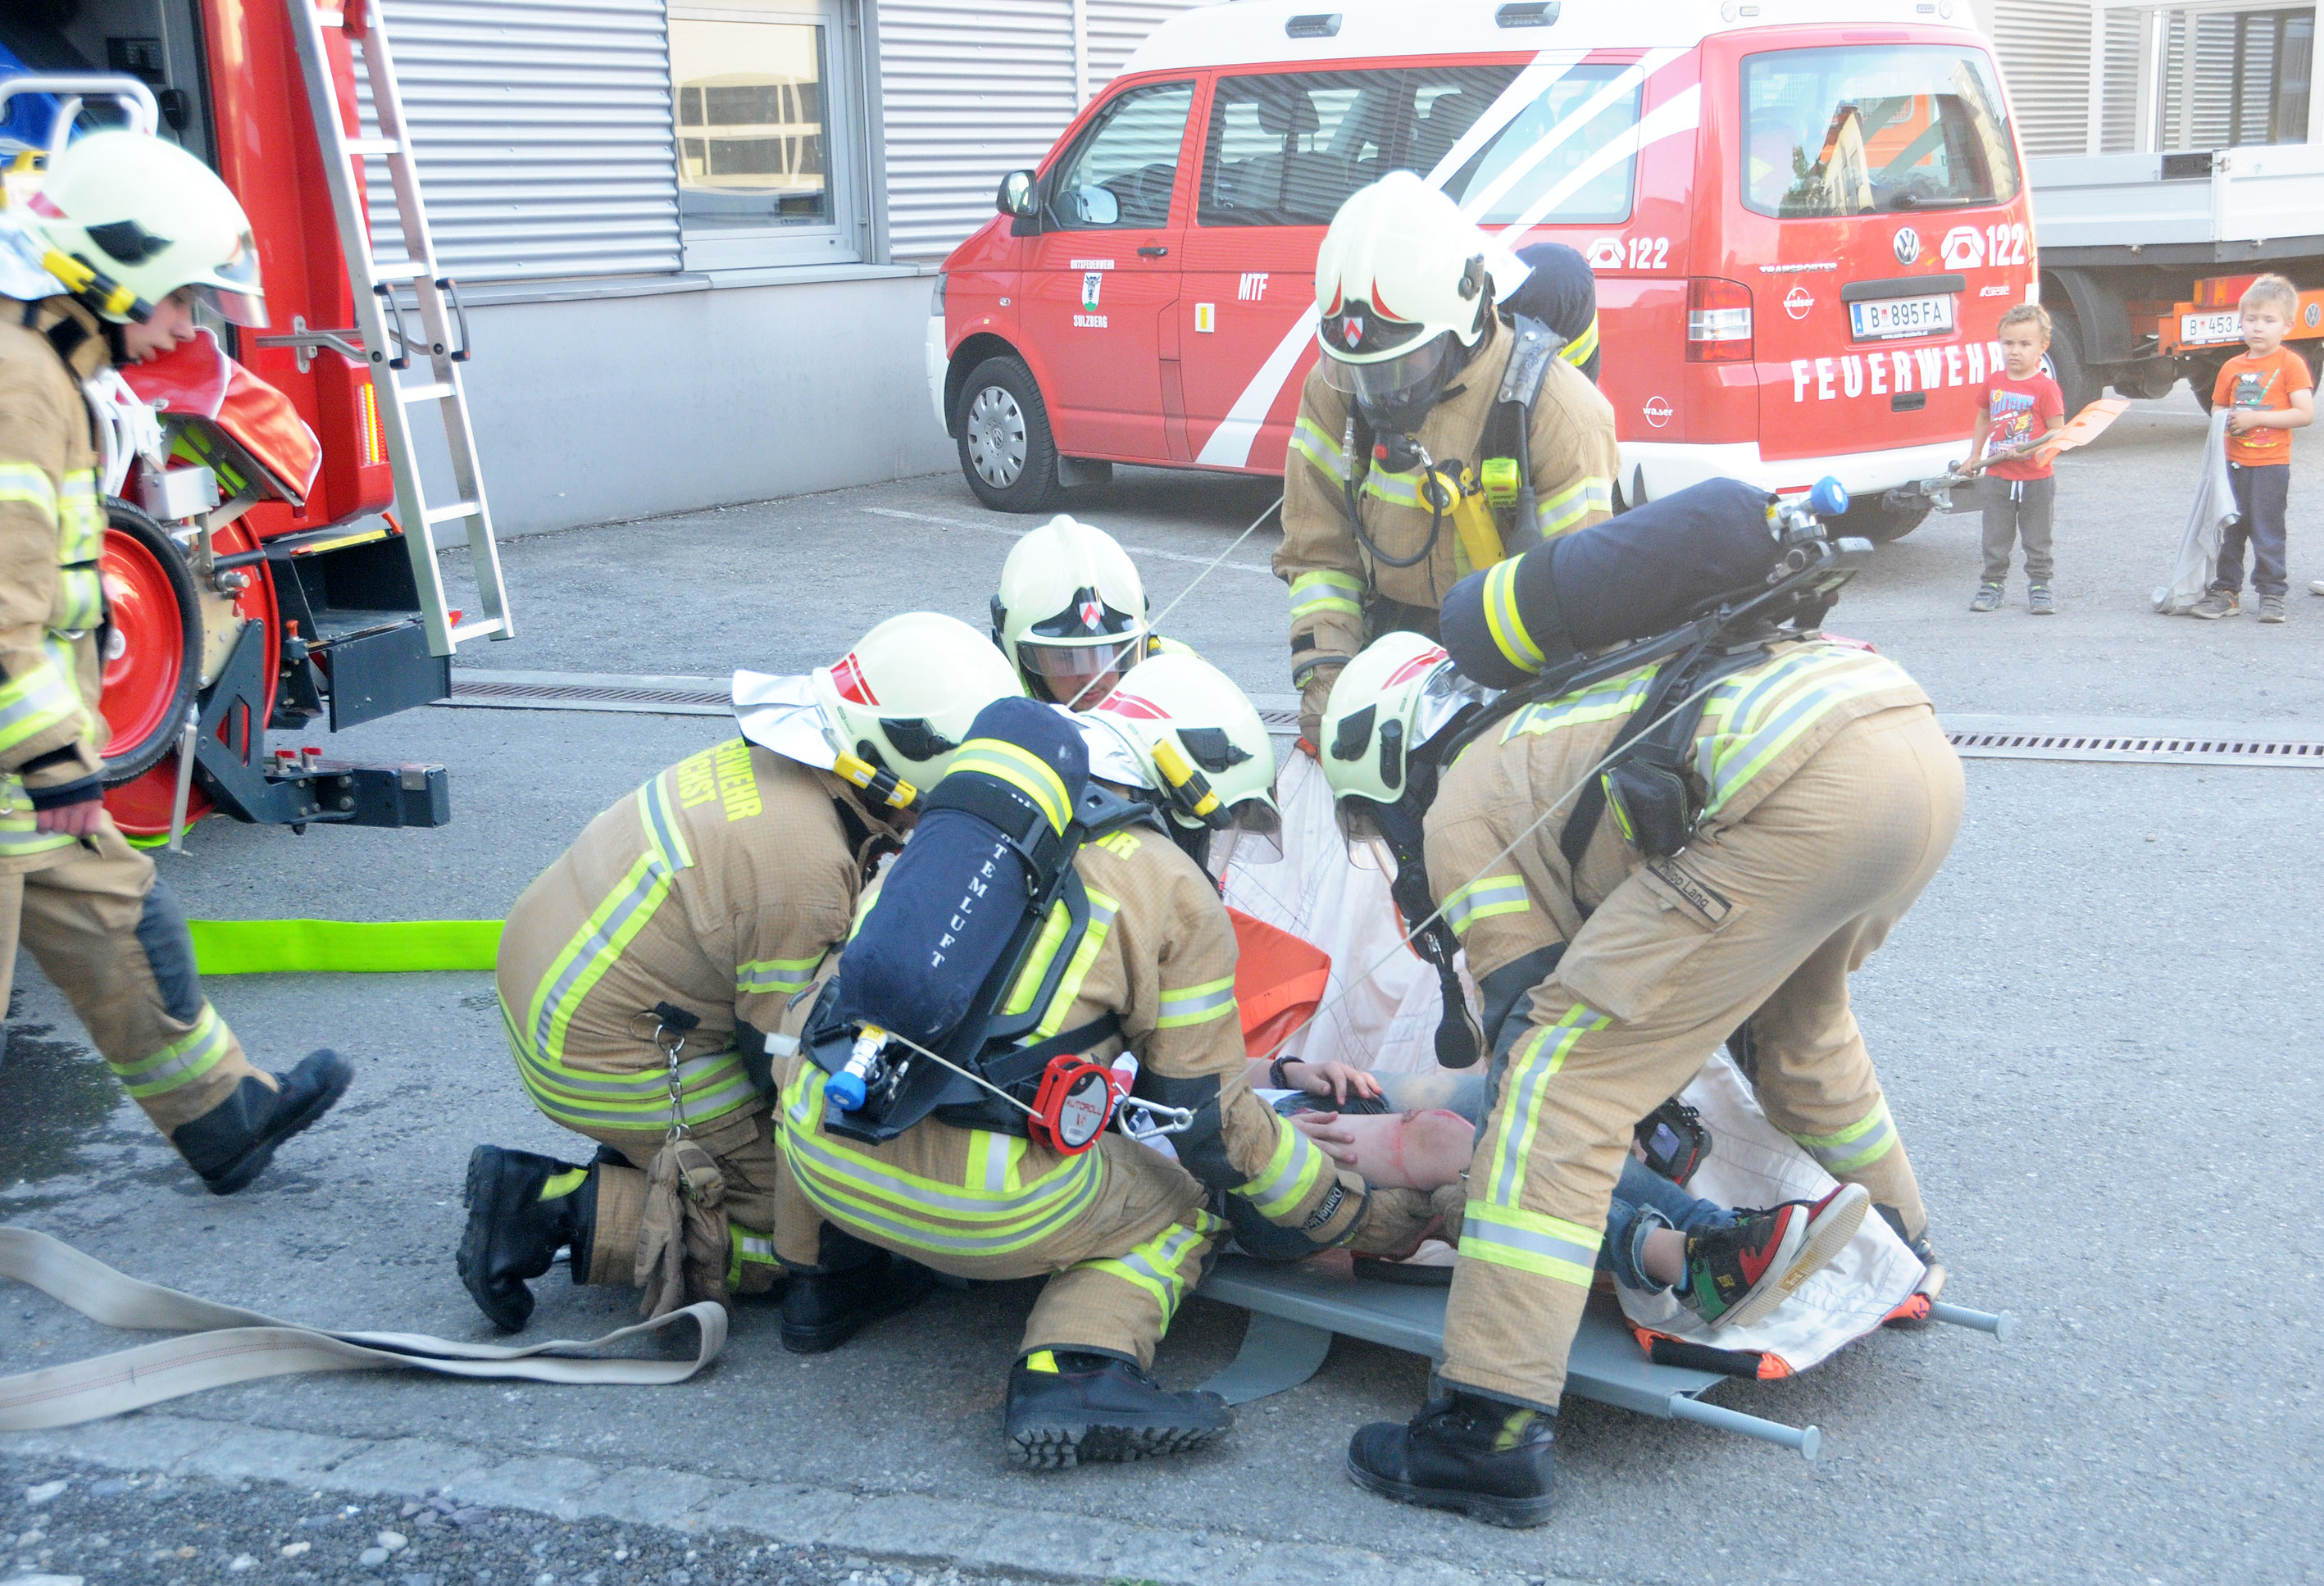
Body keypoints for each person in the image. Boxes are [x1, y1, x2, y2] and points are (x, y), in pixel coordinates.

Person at [1317, 516, 1962, 1525]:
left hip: (1795, 782)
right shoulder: (1557, 713)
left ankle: (1487, 1426)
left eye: (1372, 816)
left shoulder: (1461, 804)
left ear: (1391, 760)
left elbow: (1536, 1035)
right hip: (1902, 741)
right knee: (1800, 1034)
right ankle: (1899, 1255)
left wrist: (1512, 1144)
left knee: (1556, 1088)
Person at [768, 667, 1428, 1469]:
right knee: (1191, 1204)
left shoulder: (965, 824)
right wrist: (1351, 1215)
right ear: (1183, 788)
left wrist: (1276, 1070)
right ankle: (1079, 1369)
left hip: (821, 1155)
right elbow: (1213, 1126)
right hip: (979, 1204)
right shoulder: (1169, 885)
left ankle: (820, 1291)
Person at [457, 612, 1022, 1343]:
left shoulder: (790, 765)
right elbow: (788, 1066)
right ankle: (549, 1208)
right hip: (602, 1049)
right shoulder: (804, 867)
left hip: (559, 976)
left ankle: (659, 1156)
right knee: (822, 1217)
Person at [0, 128, 349, 1194]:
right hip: (21, 759)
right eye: (180, 297)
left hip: (22, 769)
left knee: (119, 915)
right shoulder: (20, 385)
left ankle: (221, 1114)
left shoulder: (51, 371)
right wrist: (49, 757)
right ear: (110, 272)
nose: (189, 324)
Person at [1277, 171, 1621, 742]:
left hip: (1511, 667)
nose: (1379, 392)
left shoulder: (1560, 415)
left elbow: (1578, 618)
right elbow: (1319, 552)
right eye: (1362, 372)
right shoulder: (1341, 386)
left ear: (1465, 323)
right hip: (1385, 649)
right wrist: (1329, 685)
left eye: (1400, 367)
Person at [1274, 1072, 1867, 1331]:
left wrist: (1286, 1067)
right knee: (1443, 1140)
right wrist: (1254, 1135)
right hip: (1254, 1146)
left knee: (1525, 1095)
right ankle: (1686, 1263)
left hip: (1289, 1097)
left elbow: (1230, 1060)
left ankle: (1717, 1232)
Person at [2191, 274, 2313, 625]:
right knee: (2230, 530)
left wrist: (2255, 418)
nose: (2258, 327)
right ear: (2241, 321)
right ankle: (2226, 591)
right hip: (2233, 465)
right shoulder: (2232, 367)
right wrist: (2227, 419)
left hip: (2271, 465)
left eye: (2269, 320)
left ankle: (2272, 594)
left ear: (2287, 326)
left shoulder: (2290, 364)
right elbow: (2218, 407)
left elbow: (2304, 414)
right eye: (2251, 319)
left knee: (2268, 531)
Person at [991, 514, 1188, 707]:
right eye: (1068, 657)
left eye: (1108, 654)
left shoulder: (1183, 667)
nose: (1092, 679)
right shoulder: (988, 699)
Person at [1961, 304, 2065, 616]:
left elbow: (2057, 432)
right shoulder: (1995, 382)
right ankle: (1992, 584)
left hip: (2036, 478)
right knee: (1995, 537)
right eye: (2008, 343)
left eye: (2025, 344)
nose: (2015, 351)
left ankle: (2040, 586)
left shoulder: (2046, 388)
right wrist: (1975, 455)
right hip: (1998, 476)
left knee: (2038, 538)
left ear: (2043, 347)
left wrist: (2031, 450)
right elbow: (1984, 416)